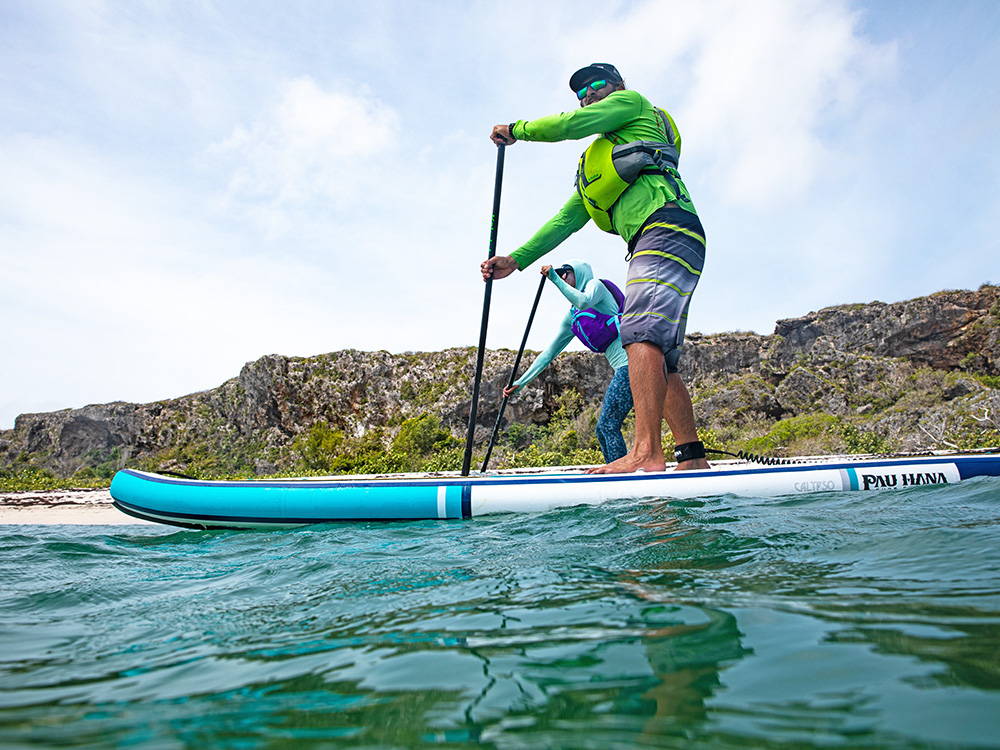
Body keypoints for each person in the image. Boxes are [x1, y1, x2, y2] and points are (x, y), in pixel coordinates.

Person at [480, 62, 709, 473]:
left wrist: (516, 129)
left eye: (596, 86)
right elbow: (567, 218)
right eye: (581, 93)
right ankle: (692, 459)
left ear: (618, 86)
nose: (588, 95)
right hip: (653, 237)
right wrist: (516, 261)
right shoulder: (598, 164)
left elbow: (572, 124)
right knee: (661, 355)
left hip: (666, 222)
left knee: (638, 332)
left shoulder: (634, 105)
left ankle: (645, 453)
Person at [504, 260, 632, 462]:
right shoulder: (573, 316)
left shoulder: (595, 286)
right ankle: (617, 472)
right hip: (622, 369)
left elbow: (584, 301)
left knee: (607, 426)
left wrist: (554, 277)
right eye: (561, 274)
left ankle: (624, 475)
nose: (563, 277)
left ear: (578, 273)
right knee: (603, 430)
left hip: (633, 364)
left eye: (566, 273)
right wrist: (520, 383)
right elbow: (549, 354)